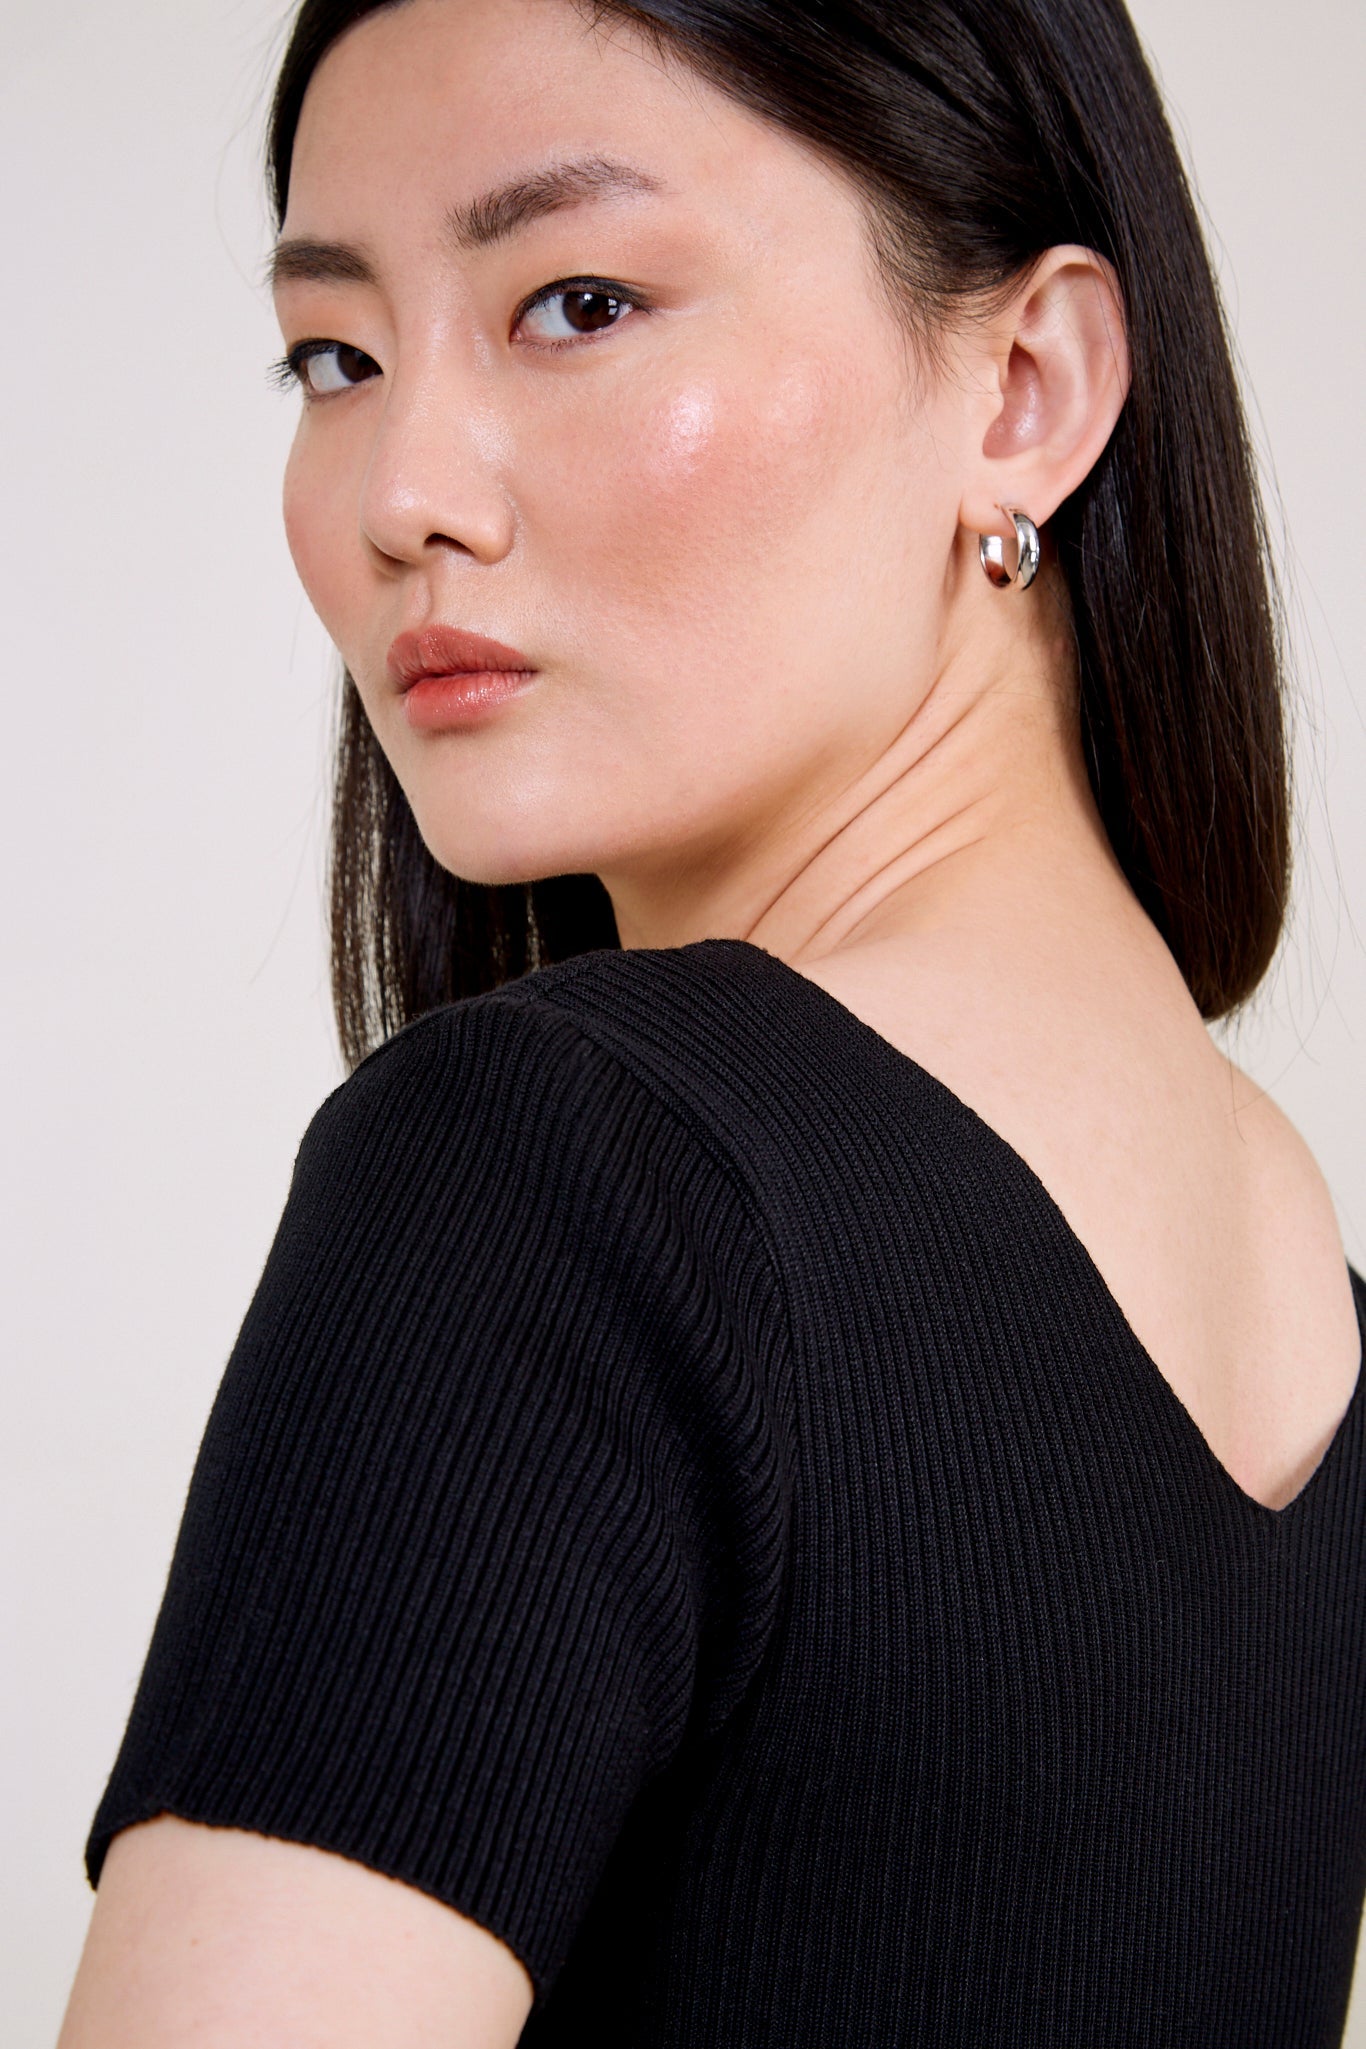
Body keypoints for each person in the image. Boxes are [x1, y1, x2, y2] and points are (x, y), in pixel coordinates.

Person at [58, 0, 1366, 2042]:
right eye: (336, 356)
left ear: (1022, 384)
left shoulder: (562, 1167)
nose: (401, 490)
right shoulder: (1304, 1279)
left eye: (577, 303)